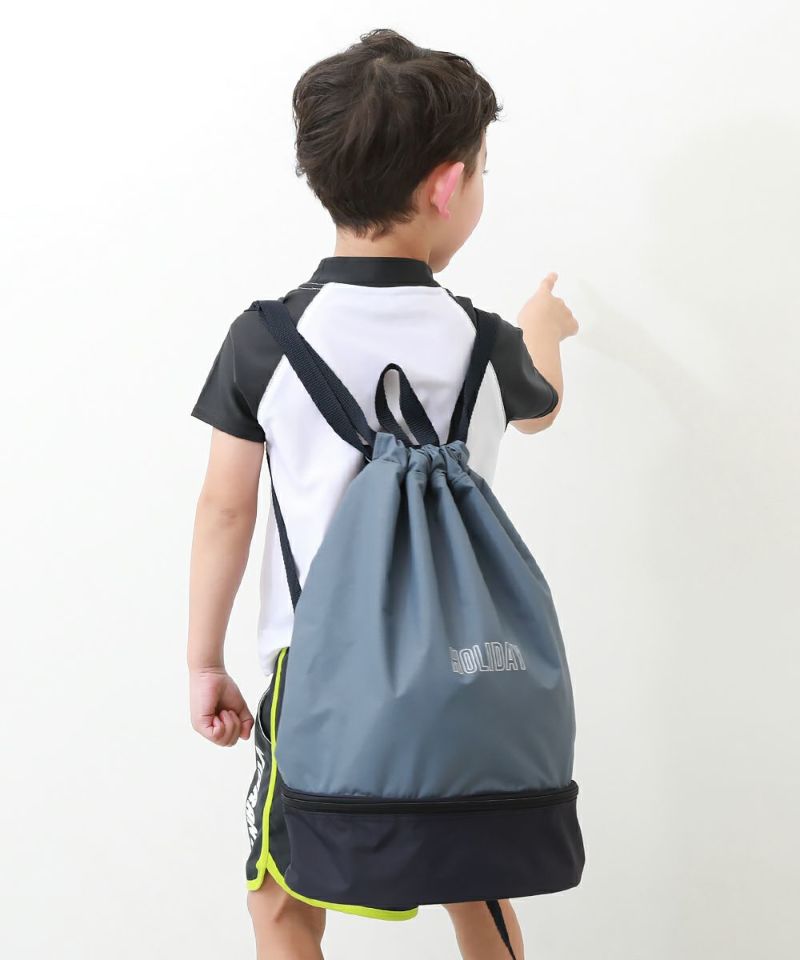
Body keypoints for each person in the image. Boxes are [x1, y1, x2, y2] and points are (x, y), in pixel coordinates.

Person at [187, 26, 578, 960]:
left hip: (314, 674)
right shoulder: (485, 343)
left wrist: (204, 659)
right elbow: (543, 409)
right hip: (468, 671)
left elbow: (226, 510)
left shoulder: (267, 340)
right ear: (447, 185)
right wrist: (544, 323)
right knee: (478, 888)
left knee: (282, 901)